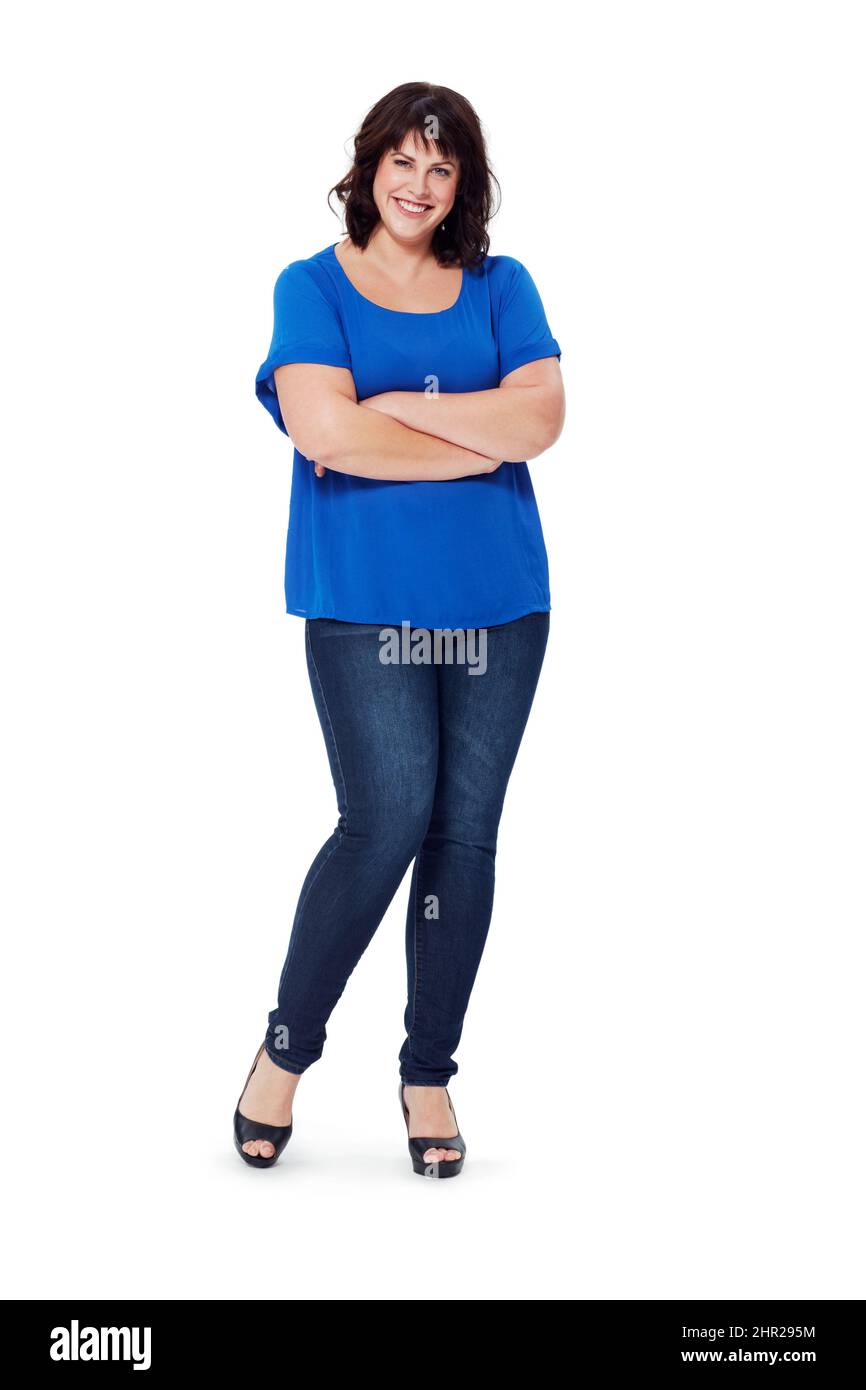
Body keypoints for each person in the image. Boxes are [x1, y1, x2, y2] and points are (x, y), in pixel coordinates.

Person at [234, 81, 564, 1178]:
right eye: (403, 161)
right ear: (368, 163)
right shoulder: (311, 285)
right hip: (364, 601)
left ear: (462, 183)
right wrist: (474, 433)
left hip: (499, 605)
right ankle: (285, 1052)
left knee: (461, 836)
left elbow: (542, 418)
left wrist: (393, 411)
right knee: (381, 823)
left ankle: (428, 1074)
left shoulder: (500, 284)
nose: (419, 186)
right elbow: (322, 434)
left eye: (442, 168)